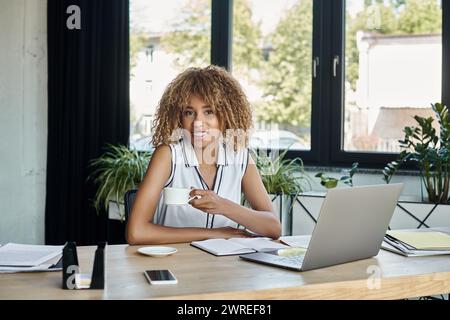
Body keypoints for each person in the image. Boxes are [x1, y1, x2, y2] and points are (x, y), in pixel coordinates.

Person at [126, 65, 281, 245]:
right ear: (179, 117)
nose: (198, 122)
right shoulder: (168, 155)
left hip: (224, 265)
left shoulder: (239, 155)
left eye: (209, 112)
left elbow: (274, 228)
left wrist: (223, 206)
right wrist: (215, 234)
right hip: (175, 262)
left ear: (225, 114)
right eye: (189, 113)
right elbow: (136, 233)